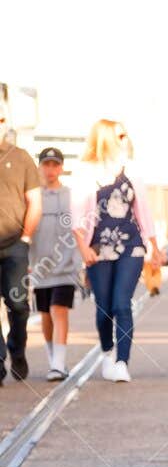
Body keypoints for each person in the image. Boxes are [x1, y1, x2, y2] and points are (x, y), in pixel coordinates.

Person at [71, 119, 161, 383]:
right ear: (105, 139)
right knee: (104, 310)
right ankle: (108, 352)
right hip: (98, 249)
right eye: (120, 135)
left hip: (131, 246)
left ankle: (122, 361)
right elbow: (76, 216)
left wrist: (154, 246)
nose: (125, 139)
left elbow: (143, 211)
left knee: (122, 304)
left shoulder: (132, 170)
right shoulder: (86, 171)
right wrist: (83, 249)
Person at [30, 147, 93, 381]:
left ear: (62, 167)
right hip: (40, 267)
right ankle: (52, 356)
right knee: (45, 314)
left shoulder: (71, 196)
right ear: (40, 167)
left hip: (66, 267)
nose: (50, 169)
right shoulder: (34, 196)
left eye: (55, 165)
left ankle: (59, 362)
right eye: (46, 164)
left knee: (59, 310)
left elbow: (80, 229)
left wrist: (80, 262)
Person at [0, 99, 42, 383]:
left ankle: (18, 349)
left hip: (15, 244)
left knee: (17, 305)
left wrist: (26, 237)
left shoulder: (22, 157)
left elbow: (35, 202)